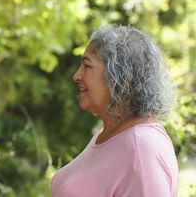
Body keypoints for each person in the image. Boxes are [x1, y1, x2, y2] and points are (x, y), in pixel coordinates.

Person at [51, 25, 178, 197]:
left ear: (119, 77)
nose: (76, 76)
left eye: (87, 66)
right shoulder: (110, 136)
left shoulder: (140, 146)